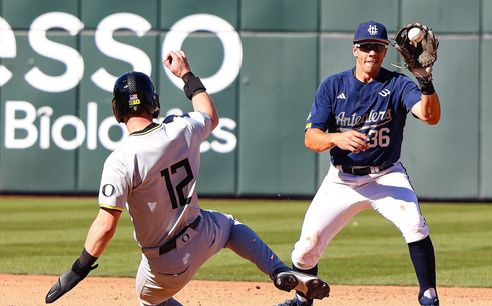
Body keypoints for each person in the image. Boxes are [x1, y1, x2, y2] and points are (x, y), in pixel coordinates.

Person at [45, 50, 330, 306]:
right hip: (203, 232)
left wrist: (78, 270)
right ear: (153, 102)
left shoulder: (120, 160)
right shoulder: (180, 128)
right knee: (230, 226)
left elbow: (106, 226)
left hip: (165, 262)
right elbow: (208, 114)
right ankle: (278, 270)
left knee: (150, 300)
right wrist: (185, 74)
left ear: (117, 111)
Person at [276, 21, 441, 306]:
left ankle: (429, 294)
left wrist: (425, 80)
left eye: (377, 48)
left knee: (414, 224)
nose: (371, 54)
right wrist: (336, 138)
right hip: (342, 180)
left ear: (384, 51)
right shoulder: (333, 85)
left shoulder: (398, 84)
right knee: (304, 250)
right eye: (365, 47)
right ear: (355, 50)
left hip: (385, 175)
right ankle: (303, 298)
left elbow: (430, 116)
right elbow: (311, 138)